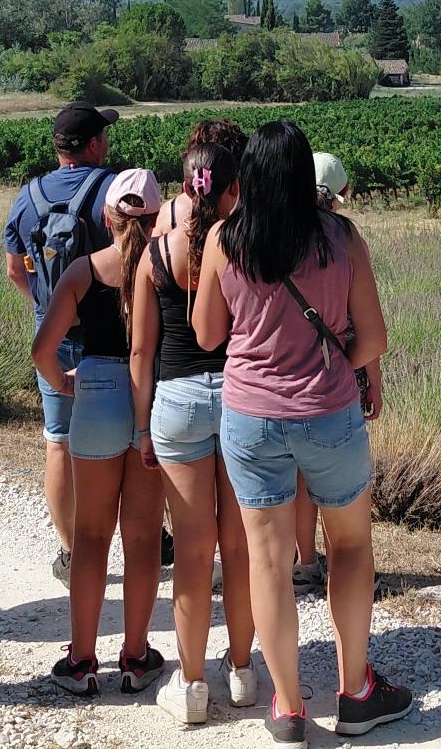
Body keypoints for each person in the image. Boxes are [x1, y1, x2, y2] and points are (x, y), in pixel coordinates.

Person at [193, 120, 410, 743]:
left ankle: (288, 706)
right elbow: (374, 339)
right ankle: (355, 690)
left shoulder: (224, 240)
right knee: (349, 547)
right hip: (329, 411)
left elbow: (207, 334)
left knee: (268, 558)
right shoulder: (340, 237)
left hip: (251, 416)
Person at [130, 137, 258, 725]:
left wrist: (142, 426)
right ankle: (241, 671)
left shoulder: (157, 252)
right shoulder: (244, 247)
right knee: (239, 546)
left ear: (184, 187)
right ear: (234, 186)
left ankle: (192, 686)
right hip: (237, 396)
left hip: (176, 398)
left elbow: (141, 349)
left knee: (191, 550)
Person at [33, 168, 169, 697]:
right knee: (142, 539)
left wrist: (65, 384)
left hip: (94, 393)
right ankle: (135, 656)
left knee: (90, 536)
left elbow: (43, 350)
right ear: (156, 218)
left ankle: (82, 657)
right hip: (149, 400)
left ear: (106, 217)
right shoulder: (167, 271)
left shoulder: (82, 271)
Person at [4, 100, 118, 581]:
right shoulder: (113, 188)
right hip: (109, 338)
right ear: (93, 144)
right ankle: (148, 539)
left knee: (58, 444)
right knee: (131, 444)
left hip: (52, 338)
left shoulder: (27, 197)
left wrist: (52, 310)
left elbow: (14, 270)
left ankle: (73, 553)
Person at [292, 150, 354, 593]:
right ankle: (341, 565)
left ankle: (304, 561)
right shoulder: (344, 239)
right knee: (336, 480)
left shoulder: (276, 236)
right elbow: (363, 323)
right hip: (334, 375)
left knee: (295, 476)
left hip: (285, 378)